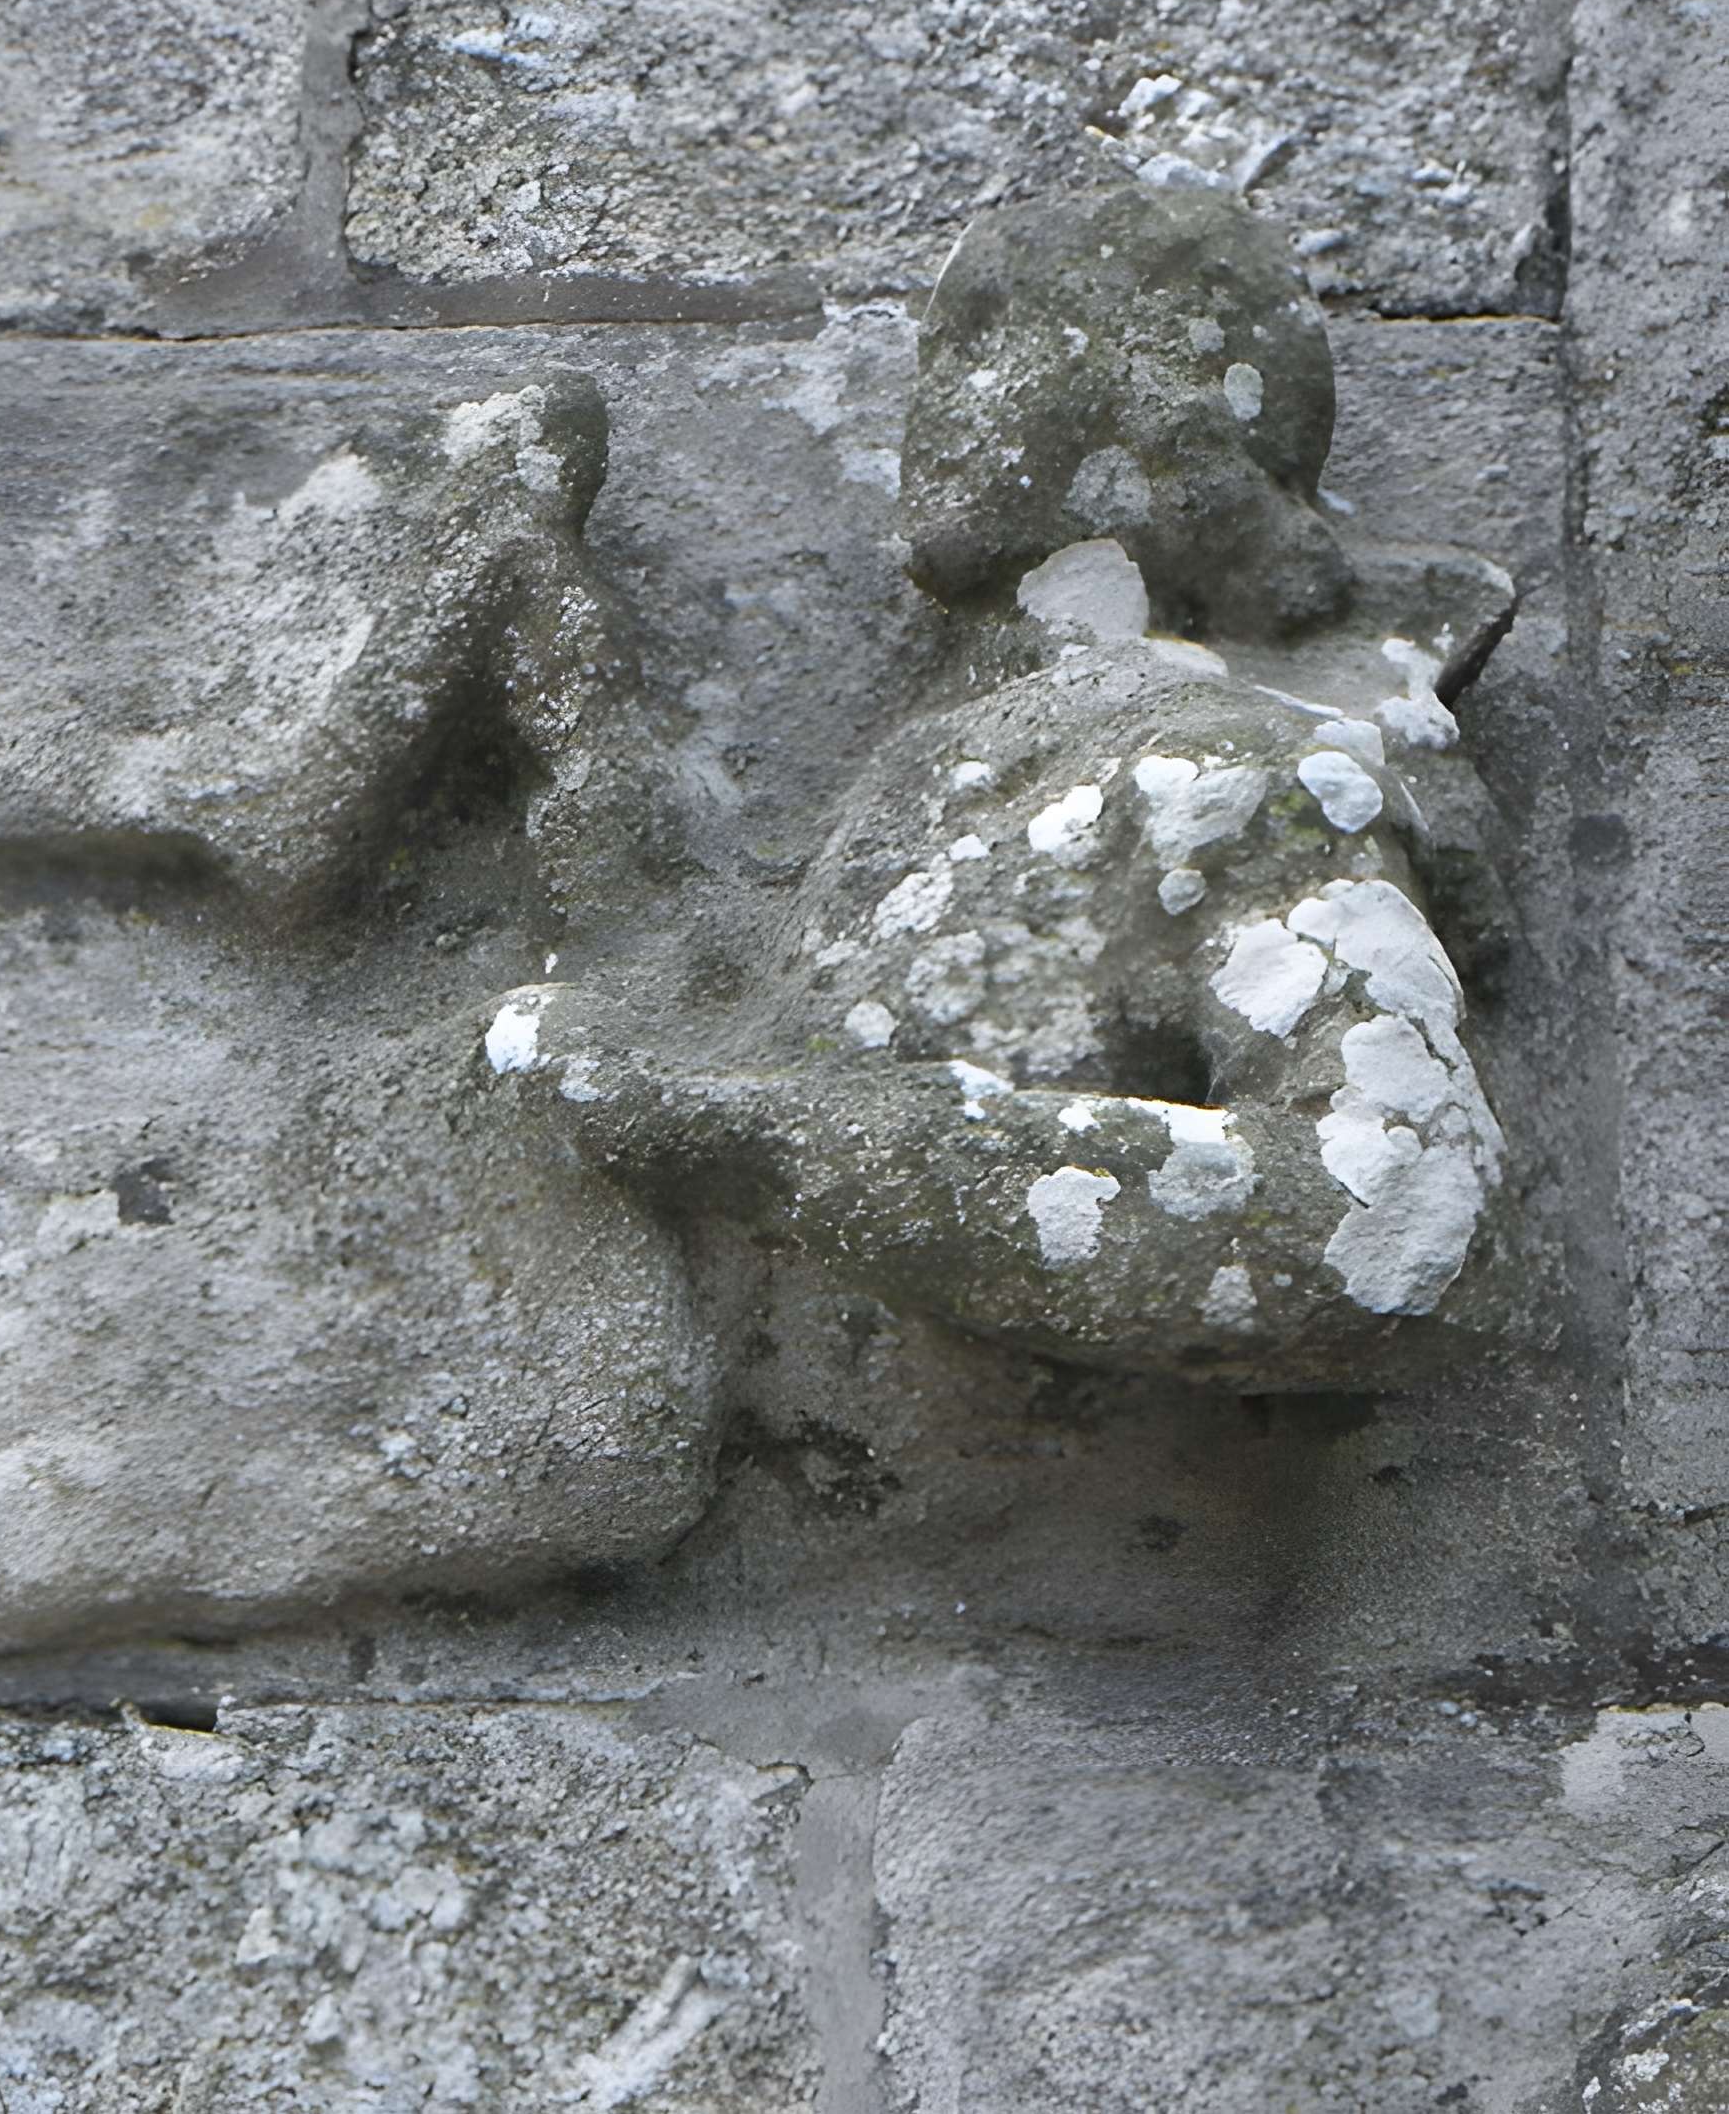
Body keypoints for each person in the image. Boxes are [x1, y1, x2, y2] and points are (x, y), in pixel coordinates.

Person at [482, 185, 1520, 1387]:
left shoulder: (1235, 772)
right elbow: (748, 1011)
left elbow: (1384, 1202)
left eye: (979, 336)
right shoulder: (931, 778)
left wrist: (772, 1139)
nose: (932, 401)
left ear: (1156, 406)